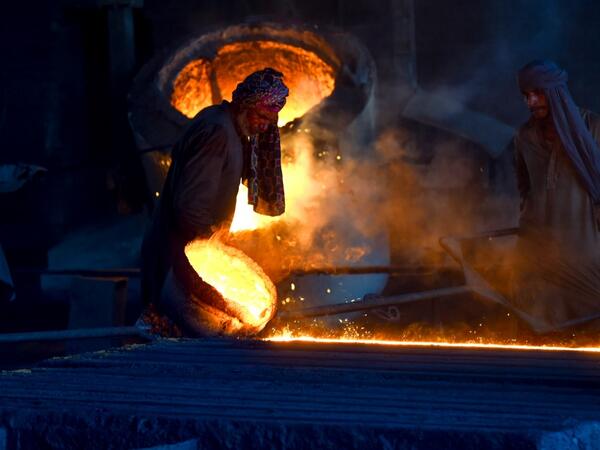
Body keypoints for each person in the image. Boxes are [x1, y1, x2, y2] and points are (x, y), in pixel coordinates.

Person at [139, 68, 288, 334]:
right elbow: (190, 205)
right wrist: (209, 254)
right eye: (262, 116)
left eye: (270, 120)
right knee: (171, 343)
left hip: (184, 253)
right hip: (176, 259)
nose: (265, 126)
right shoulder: (217, 132)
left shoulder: (227, 126)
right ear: (246, 105)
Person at [509, 60, 600, 332]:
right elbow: (524, 193)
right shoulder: (524, 138)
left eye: (537, 92)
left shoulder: (593, 129)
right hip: (543, 259)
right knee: (546, 341)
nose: (531, 101)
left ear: (557, 92)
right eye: (526, 95)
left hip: (588, 256)